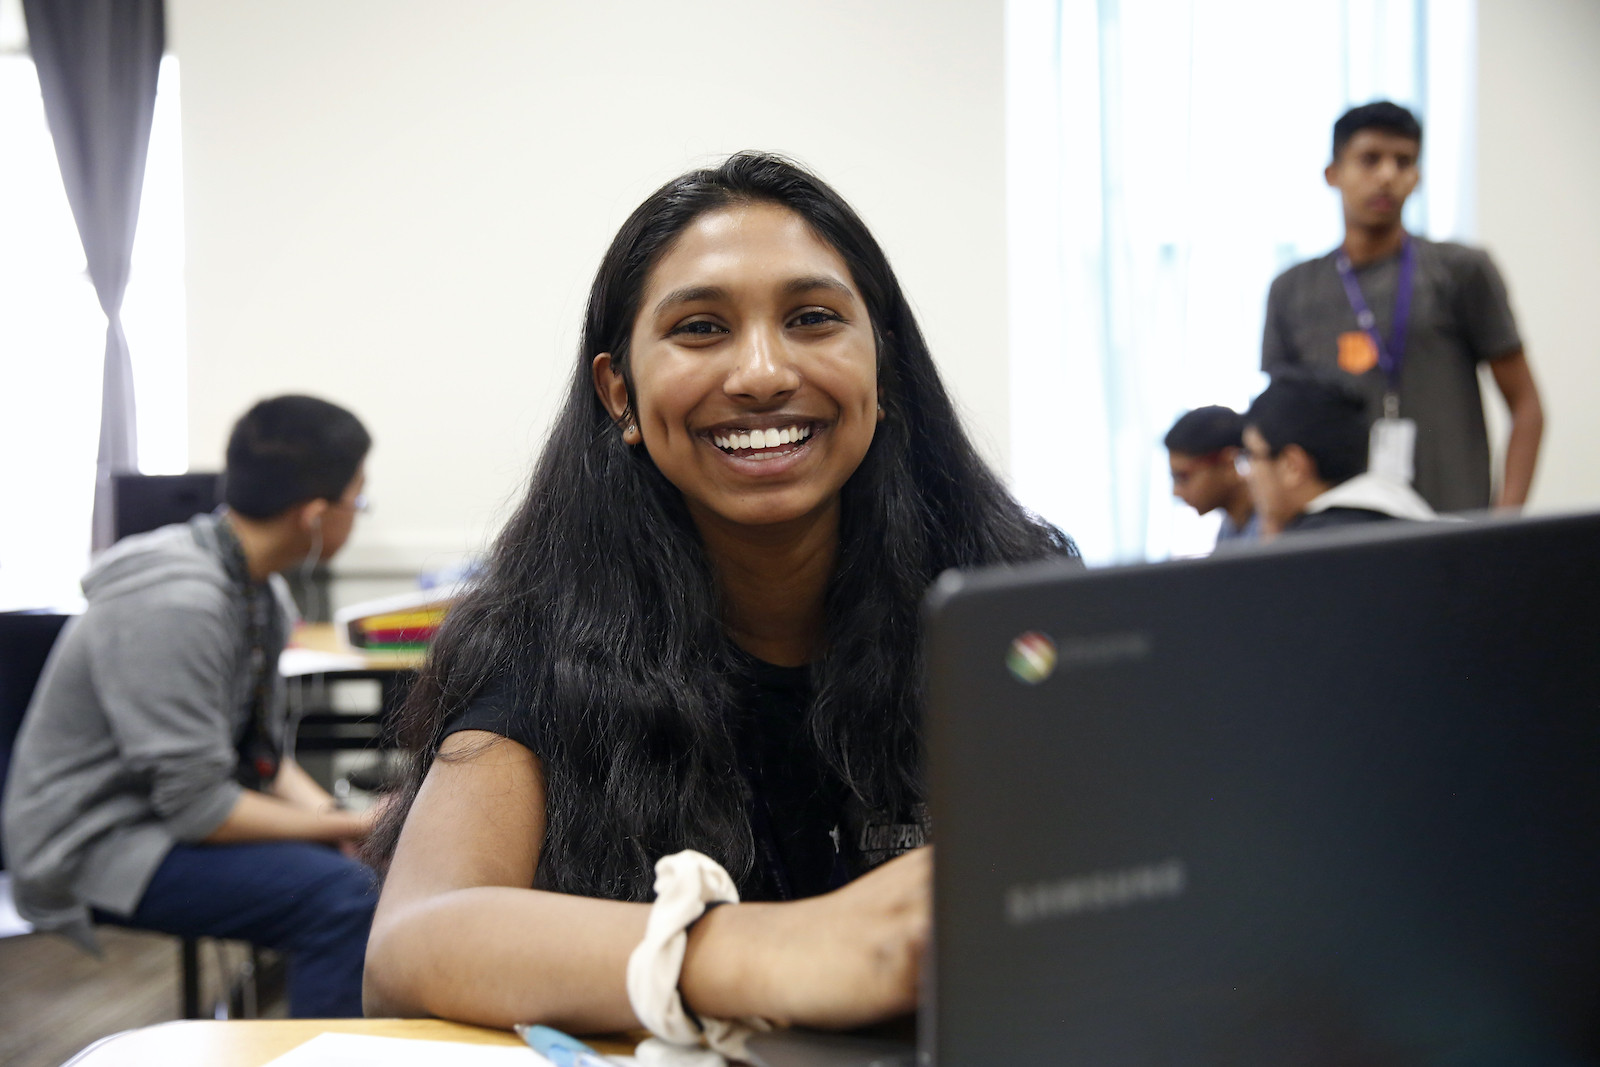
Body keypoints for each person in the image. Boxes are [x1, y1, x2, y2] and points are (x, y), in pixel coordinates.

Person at [361, 153, 1078, 1042]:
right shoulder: (541, 636)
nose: (764, 372)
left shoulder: (1018, 603)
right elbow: (409, 941)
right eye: (701, 328)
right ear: (618, 392)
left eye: (813, 318)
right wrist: (780, 950)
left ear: (884, 369)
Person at [1, 395, 380, 1018]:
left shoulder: (258, 591)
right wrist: (349, 825)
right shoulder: (179, 602)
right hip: (97, 841)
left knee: (365, 869)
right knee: (342, 899)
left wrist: (339, 819)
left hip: (162, 819)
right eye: (357, 500)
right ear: (315, 515)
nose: (358, 515)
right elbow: (198, 807)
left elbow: (251, 754)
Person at [1261, 100, 1544, 515]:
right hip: (1336, 531)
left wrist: (1505, 521)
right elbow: (1276, 426)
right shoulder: (1292, 289)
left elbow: (1527, 406)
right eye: (1370, 159)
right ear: (1333, 173)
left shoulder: (1460, 271)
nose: (1388, 175)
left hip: (1451, 522)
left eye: (1404, 161)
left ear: (1417, 176)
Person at [1240, 369, 1434, 540]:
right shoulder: (1416, 517)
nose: (1248, 473)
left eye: (1251, 455)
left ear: (1292, 465)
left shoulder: (1304, 552)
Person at [1163, 405, 1257, 547]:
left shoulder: (1275, 528)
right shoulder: (1227, 531)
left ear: (1228, 463)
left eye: (1183, 477)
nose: (1176, 492)